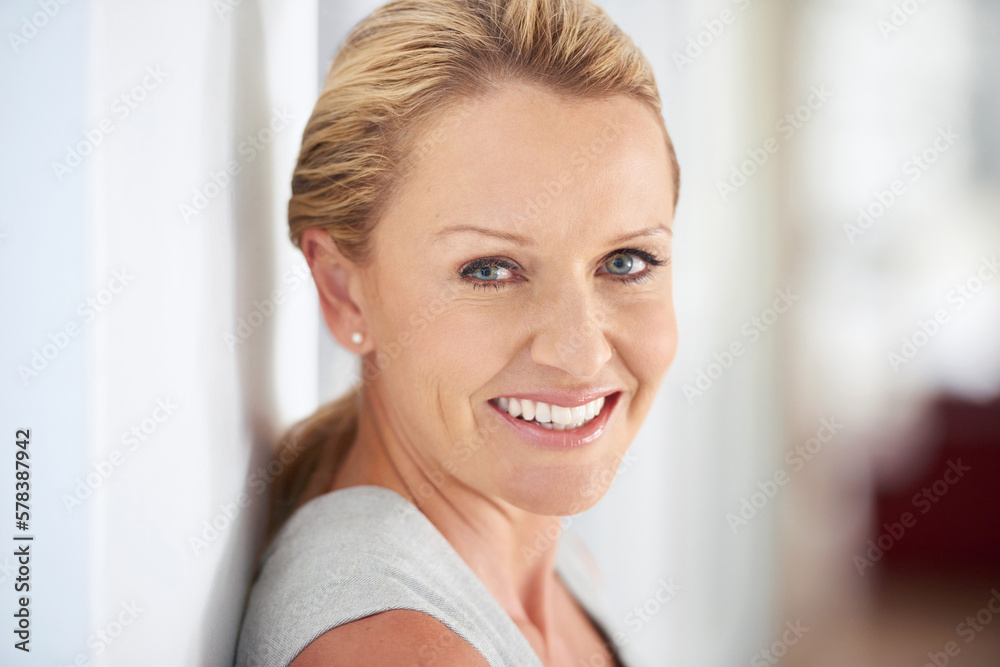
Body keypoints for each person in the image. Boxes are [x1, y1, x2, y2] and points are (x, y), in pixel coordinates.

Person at [235, 0, 680, 664]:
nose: (581, 350)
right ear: (342, 291)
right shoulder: (391, 647)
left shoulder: (556, 565)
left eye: (625, 262)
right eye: (491, 269)